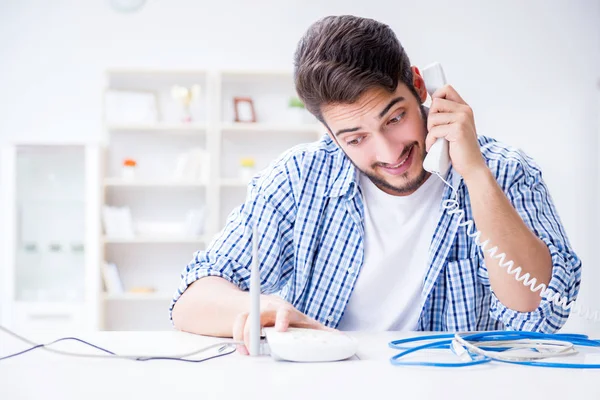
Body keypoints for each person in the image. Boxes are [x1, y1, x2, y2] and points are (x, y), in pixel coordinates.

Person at [170, 15, 581, 355]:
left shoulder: (505, 171)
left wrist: (474, 175)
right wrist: (259, 308)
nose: (388, 152)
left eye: (395, 118)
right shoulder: (298, 178)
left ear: (421, 87)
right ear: (331, 136)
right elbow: (189, 300)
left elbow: (537, 312)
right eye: (355, 138)